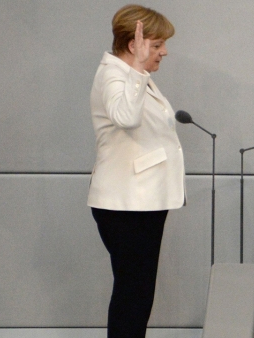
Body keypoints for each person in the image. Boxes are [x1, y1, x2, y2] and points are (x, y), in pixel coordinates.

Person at [87, 5, 185, 338]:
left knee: (138, 294)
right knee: (133, 294)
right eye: (157, 45)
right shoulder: (115, 75)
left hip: (142, 201)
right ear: (134, 45)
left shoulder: (130, 77)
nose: (164, 52)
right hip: (125, 203)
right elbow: (126, 117)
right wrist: (140, 71)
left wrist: (140, 74)